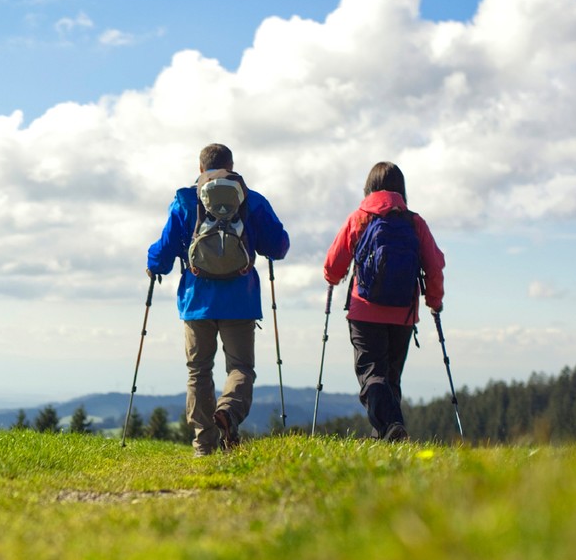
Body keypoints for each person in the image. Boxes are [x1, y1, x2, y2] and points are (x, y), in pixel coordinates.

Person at [147, 144, 290, 456]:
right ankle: (229, 411)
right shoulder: (252, 200)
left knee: (199, 371)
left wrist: (152, 263)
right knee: (240, 368)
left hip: (196, 300)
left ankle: (203, 444)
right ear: (232, 166)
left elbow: (165, 250)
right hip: (241, 300)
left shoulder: (185, 200)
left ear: (201, 169)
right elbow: (278, 246)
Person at [323, 161, 445, 442]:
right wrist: (434, 301)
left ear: (369, 187)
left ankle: (390, 427)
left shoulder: (359, 218)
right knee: (390, 377)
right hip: (403, 313)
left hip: (364, 310)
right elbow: (434, 266)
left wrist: (332, 278)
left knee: (371, 374)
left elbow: (332, 265)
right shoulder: (414, 222)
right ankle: (388, 435)